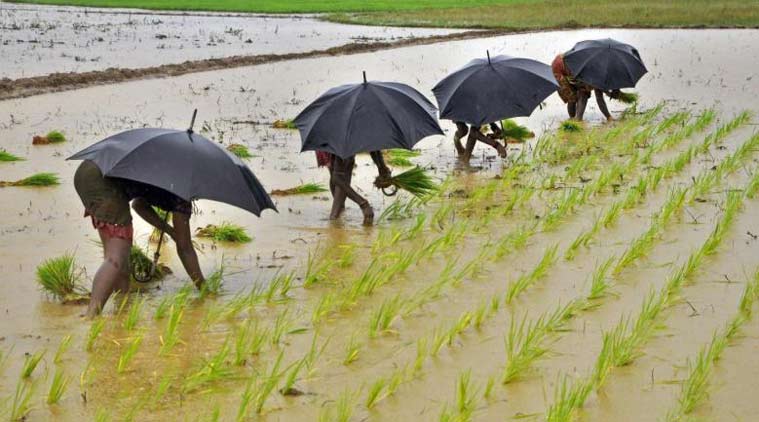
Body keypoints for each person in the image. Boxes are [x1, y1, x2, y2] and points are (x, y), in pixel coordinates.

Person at [74, 160, 205, 316]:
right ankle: (92, 314)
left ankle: (122, 308)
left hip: (88, 171)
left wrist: (169, 231)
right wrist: (204, 289)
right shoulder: (183, 194)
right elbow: (185, 249)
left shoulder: (170, 171)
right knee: (116, 257)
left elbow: (139, 204)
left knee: (120, 257)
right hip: (103, 182)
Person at [316, 150, 391, 225]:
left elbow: (373, 146)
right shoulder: (343, 146)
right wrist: (363, 204)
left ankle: (337, 213)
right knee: (341, 169)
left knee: (342, 167)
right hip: (334, 144)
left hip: (341, 147)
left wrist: (382, 168)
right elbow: (337, 178)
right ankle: (334, 218)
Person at [552, 53, 621, 122]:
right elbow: (599, 95)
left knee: (583, 92)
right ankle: (574, 120)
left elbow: (600, 96)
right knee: (574, 96)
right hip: (558, 71)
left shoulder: (600, 71)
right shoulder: (593, 72)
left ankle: (577, 120)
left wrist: (609, 117)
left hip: (570, 67)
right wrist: (609, 94)